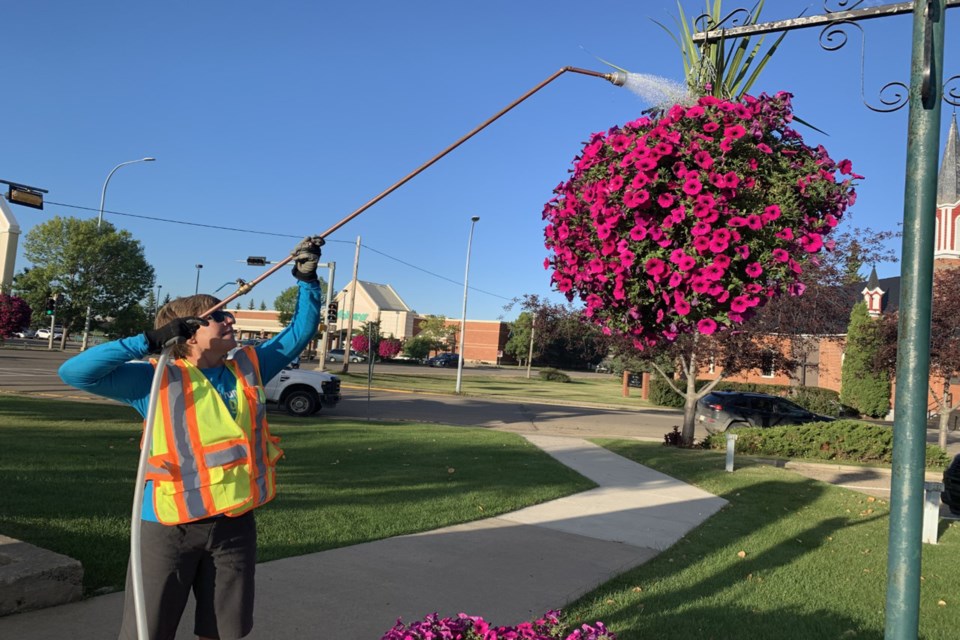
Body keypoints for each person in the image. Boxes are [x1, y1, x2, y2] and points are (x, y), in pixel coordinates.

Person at [59, 236, 325, 640]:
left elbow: (299, 332)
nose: (231, 321)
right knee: (148, 630)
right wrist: (149, 339)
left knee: (224, 630)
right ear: (191, 331)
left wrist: (307, 278)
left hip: (234, 523)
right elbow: (75, 373)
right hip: (169, 525)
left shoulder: (249, 366)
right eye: (221, 317)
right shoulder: (155, 378)